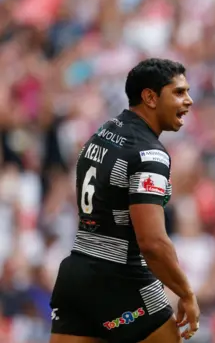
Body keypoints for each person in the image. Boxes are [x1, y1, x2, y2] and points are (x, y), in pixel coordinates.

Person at [49, 58, 200, 343]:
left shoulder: (101, 133)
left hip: (75, 274)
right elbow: (152, 243)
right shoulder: (148, 154)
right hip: (120, 277)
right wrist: (186, 292)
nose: (189, 101)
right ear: (150, 97)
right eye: (179, 92)